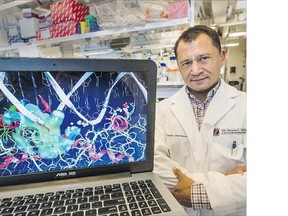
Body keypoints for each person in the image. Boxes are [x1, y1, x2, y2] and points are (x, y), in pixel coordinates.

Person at [153, 25, 246, 216]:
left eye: (203, 58)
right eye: (186, 63)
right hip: (181, 211)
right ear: (178, 67)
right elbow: (155, 165)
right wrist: (221, 183)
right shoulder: (162, 110)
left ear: (222, 57)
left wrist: (198, 192)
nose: (195, 70)